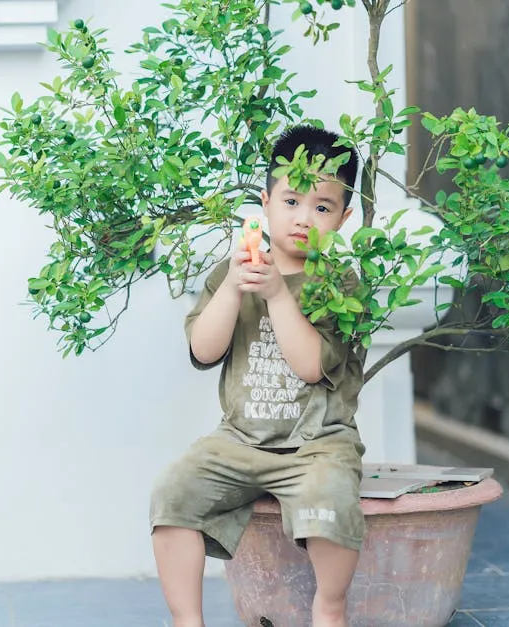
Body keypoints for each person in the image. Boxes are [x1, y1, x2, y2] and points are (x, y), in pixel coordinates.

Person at [149, 123, 366, 627]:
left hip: (317, 443)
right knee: (174, 491)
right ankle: (187, 620)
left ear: (344, 217)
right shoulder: (234, 271)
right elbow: (204, 350)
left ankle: (329, 608)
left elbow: (311, 366)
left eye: (322, 207)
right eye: (290, 201)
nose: (302, 218)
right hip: (240, 441)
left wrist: (276, 294)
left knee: (331, 502)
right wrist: (232, 287)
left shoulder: (341, 285)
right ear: (265, 203)